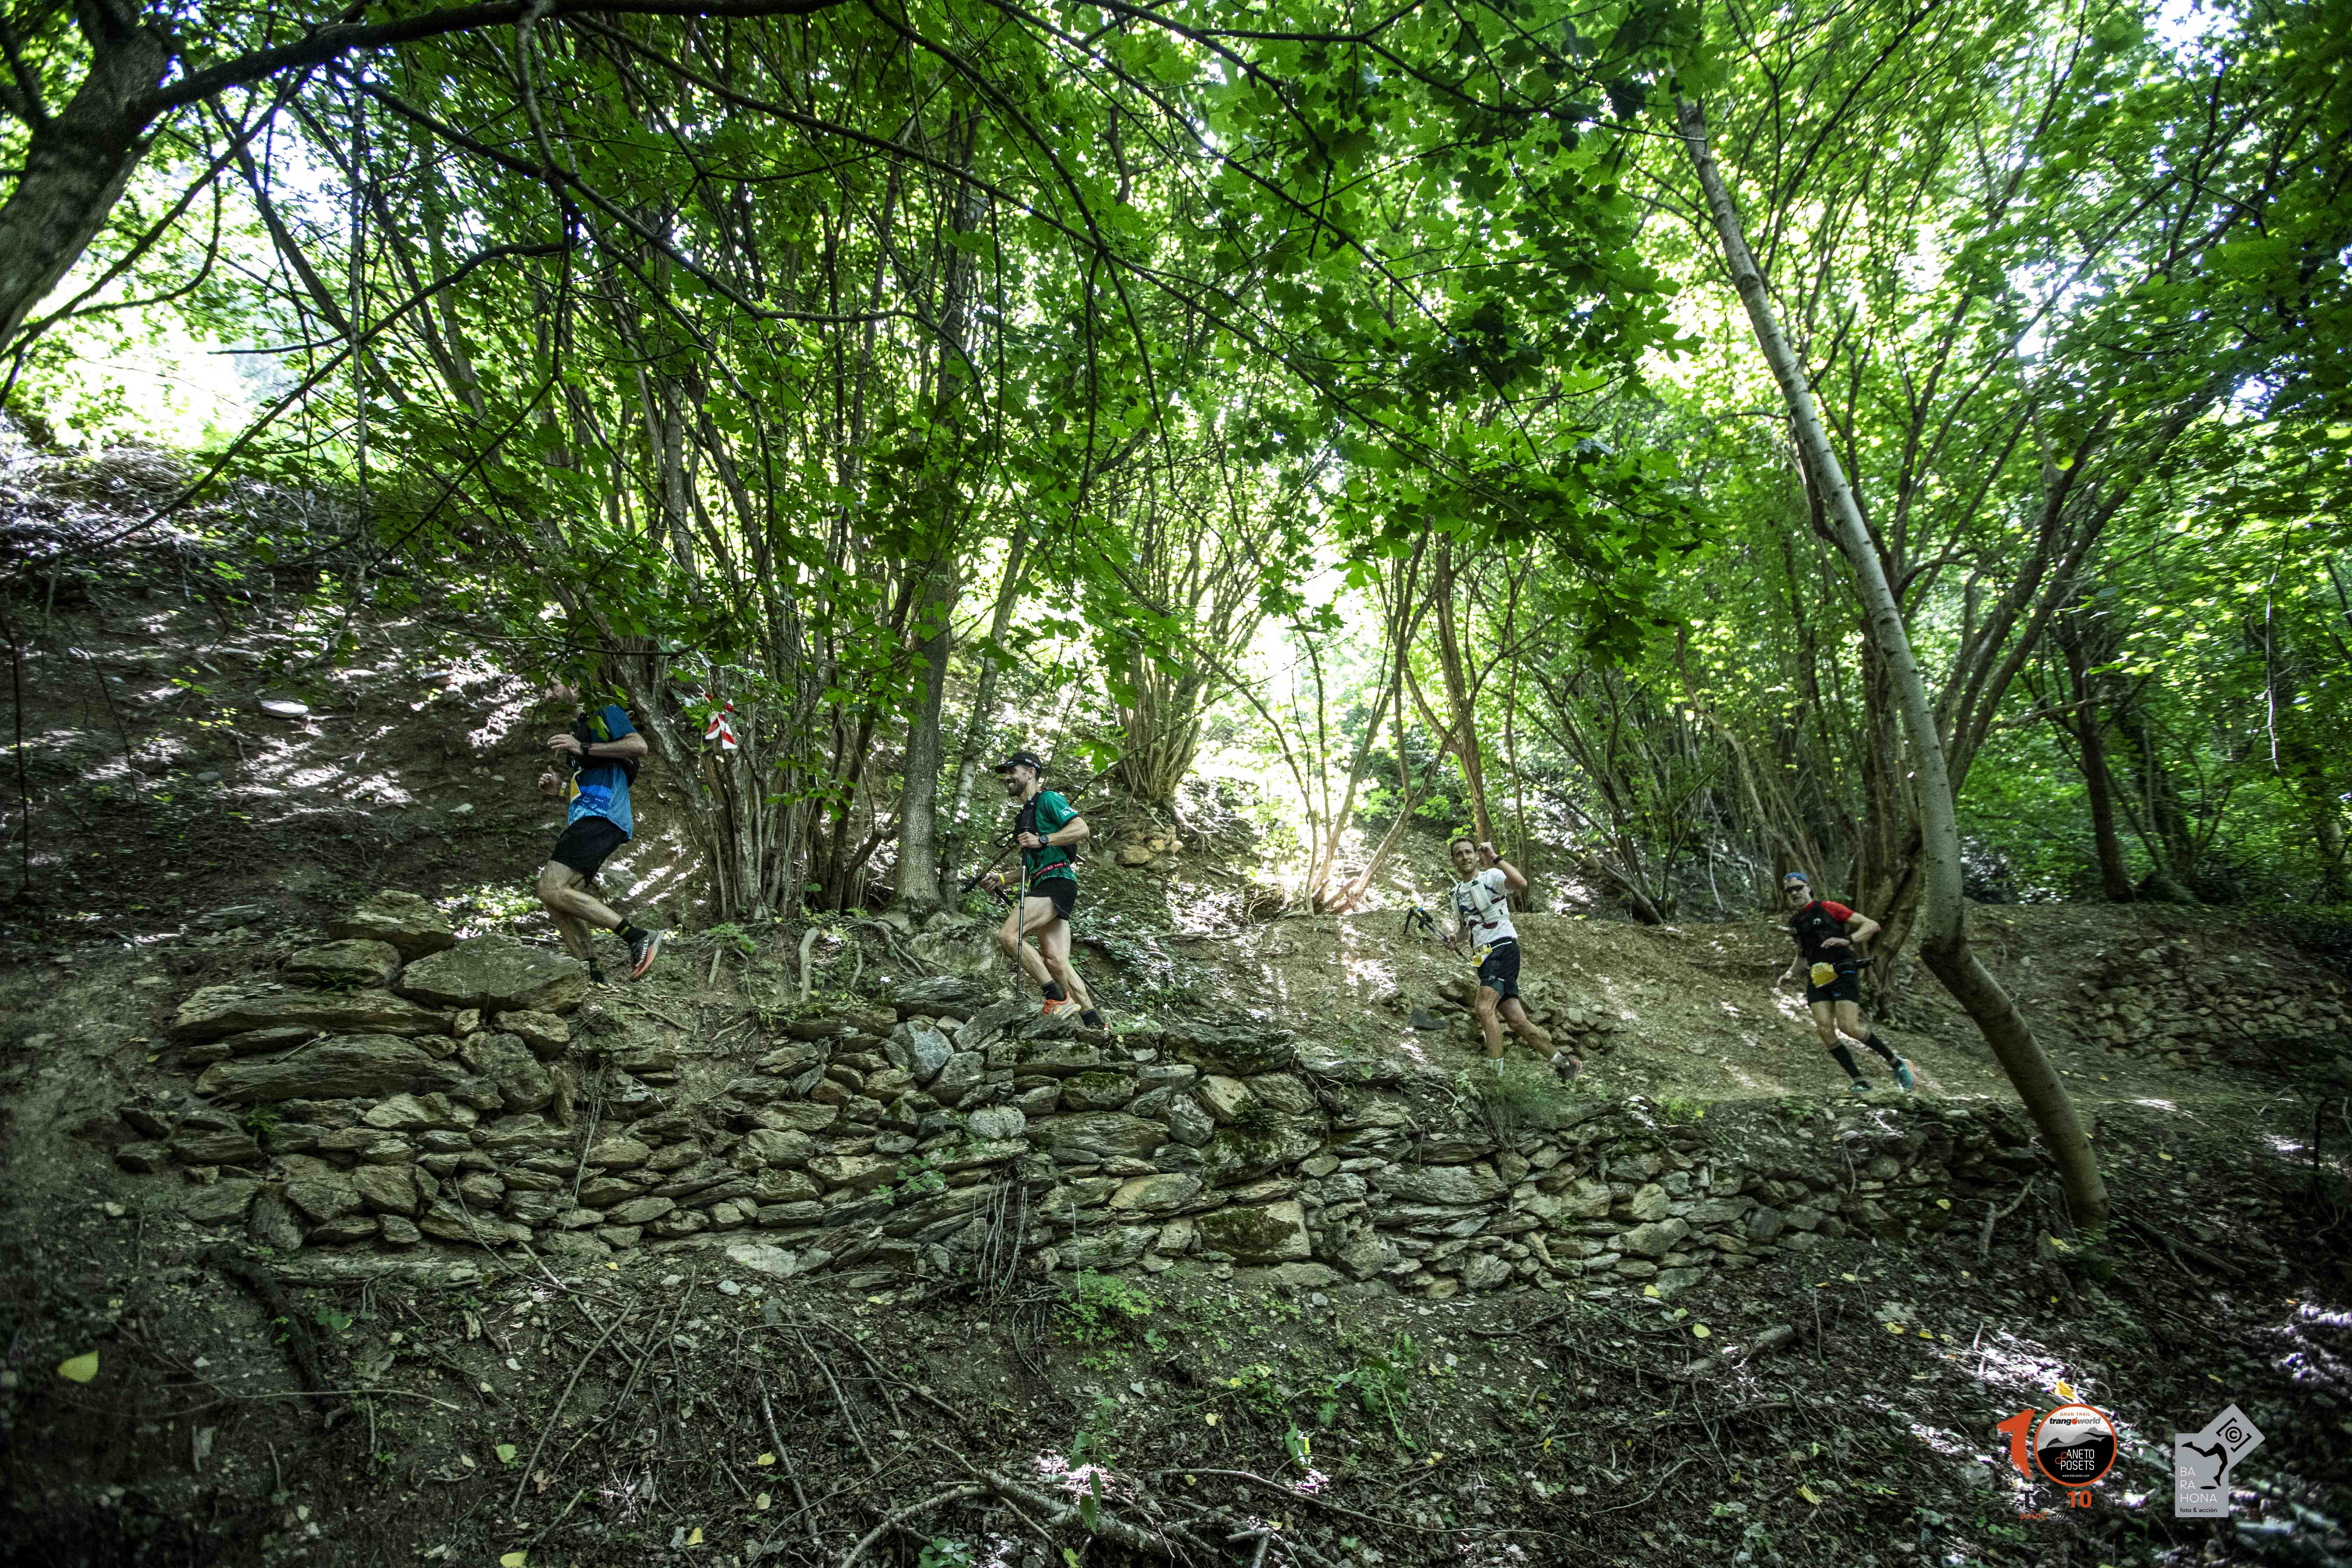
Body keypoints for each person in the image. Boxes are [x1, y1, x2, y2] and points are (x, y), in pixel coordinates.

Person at [533, 678, 665, 983]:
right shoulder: (582, 725)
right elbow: (592, 785)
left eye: (552, 685)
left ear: (576, 683)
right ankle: (590, 974)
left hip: (602, 817)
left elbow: (639, 746)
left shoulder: (603, 709)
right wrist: (560, 790)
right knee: (558, 897)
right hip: (588, 816)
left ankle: (639, 937)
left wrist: (582, 746)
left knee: (550, 887)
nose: (547, 694)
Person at [1445, 836, 1578, 1078]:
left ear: (1476, 856)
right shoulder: (1455, 894)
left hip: (1504, 947)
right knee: (1517, 1022)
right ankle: (1566, 1065)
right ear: (1453, 861)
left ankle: (1496, 1077)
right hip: (1484, 957)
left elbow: (1522, 883)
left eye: (1468, 852)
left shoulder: (1492, 877)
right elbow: (1466, 930)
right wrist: (1456, 939)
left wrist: (1495, 857)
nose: (1464, 857)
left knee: (1484, 1008)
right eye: (1459, 854)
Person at [989, 750, 1103, 1030]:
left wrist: (1043, 838)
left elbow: (1081, 829)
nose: (1007, 777)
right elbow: (1031, 865)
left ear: (1031, 772)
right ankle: (1094, 1022)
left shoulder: (1049, 799)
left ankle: (1056, 997)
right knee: (1056, 962)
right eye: (1005, 773)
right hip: (1045, 882)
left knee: (1008, 936)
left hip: (1057, 882)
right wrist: (1003, 879)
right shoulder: (1025, 815)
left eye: (1012, 771)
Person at [1775, 870, 1912, 1093]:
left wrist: (1848, 940)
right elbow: (1802, 954)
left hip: (1843, 972)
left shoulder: (1830, 908)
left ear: (1809, 888)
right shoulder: (1795, 922)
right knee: (1825, 1029)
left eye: (1798, 888)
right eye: (1790, 891)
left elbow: (1872, 925)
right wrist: (1790, 973)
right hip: (1818, 977)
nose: (1795, 893)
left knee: (1849, 1027)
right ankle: (1860, 1081)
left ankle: (1897, 1063)